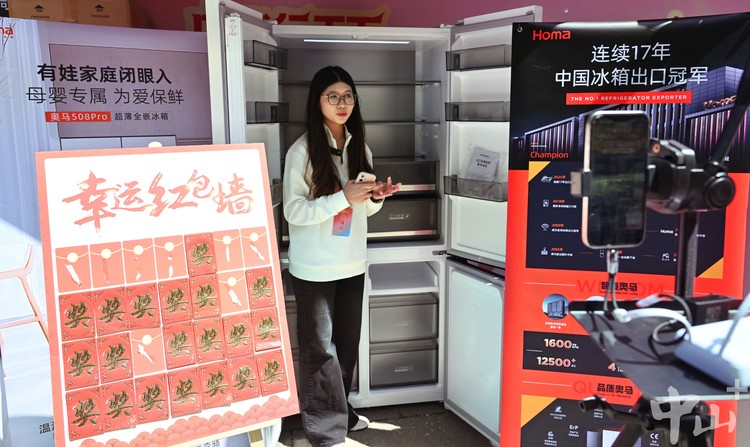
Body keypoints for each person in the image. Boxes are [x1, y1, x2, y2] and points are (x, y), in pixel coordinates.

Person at [282, 65, 400, 447]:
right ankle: (325, 434)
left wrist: (376, 197)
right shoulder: (302, 151)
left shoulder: (359, 146)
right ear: (317, 101)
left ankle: (341, 414)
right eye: (332, 96)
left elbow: (363, 210)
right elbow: (293, 212)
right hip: (314, 267)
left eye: (347, 95)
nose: (341, 103)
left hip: (351, 261)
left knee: (346, 348)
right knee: (320, 352)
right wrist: (341, 198)